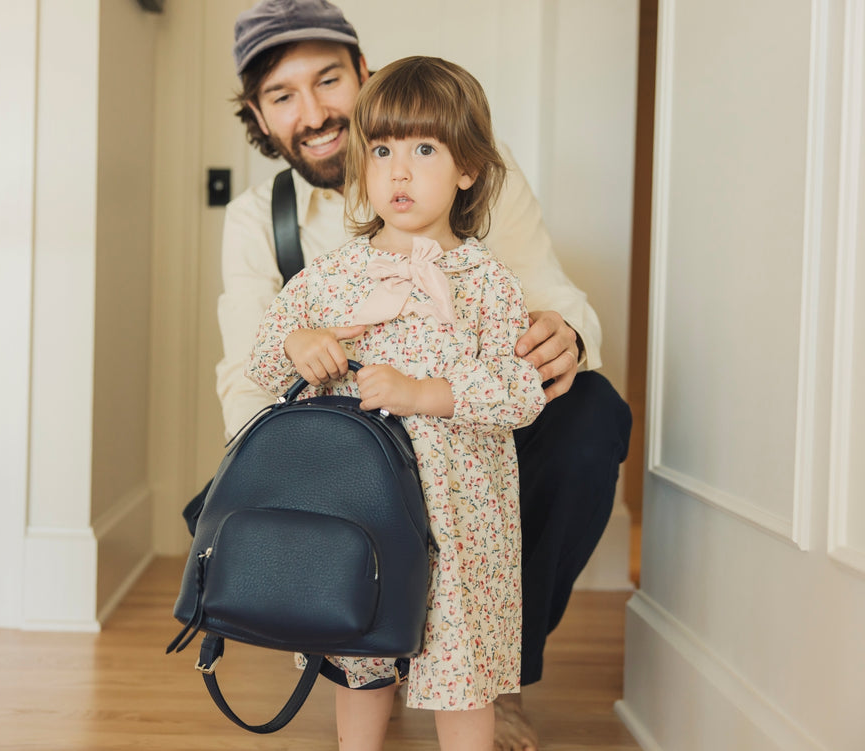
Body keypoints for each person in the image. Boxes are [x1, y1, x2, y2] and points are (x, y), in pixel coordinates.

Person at [212, 1, 633, 748]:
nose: (312, 112)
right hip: (347, 466)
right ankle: (358, 642)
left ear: (364, 76)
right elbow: (255, 362)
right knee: (361, 636)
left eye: (329, 80)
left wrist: (553, 339)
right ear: (259, 115)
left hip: (465, 476)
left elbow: (546, 320)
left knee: (593, 416)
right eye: (283, 95)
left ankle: (488, 680)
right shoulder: (280, 235)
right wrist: (300, 371)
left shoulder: (483, 266)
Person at [247, 55, 546, 751]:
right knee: (361, 657)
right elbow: (264, 361)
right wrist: (301, 343)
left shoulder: (484, 283)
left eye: (423, 149)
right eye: (381, 150)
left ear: (467, 167)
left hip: (463, 521)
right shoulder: (333, 276)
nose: (398, 172)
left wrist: (427, 395)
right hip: (361, 510)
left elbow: (520, 390)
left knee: (460, 664)